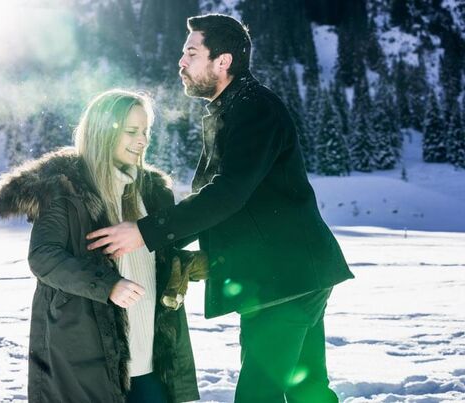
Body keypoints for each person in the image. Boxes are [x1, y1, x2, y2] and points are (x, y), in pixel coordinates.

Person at [86, 14, 354, 403]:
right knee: (307, 390)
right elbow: (231, 202)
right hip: (289, 276)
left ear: (222, 61)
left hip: (285, 278)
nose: (181, 62)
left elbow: (229, 193)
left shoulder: (254, 110)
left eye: (191, 53)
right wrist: (178, 248)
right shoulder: (231, 109)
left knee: (258, 394)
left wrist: (145, 232)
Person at [0, 89, 199, 403]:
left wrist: (191, 263)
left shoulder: (153, 191)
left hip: (152, 357)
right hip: (91, 357)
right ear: (103, 131)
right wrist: (108, 285)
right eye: (131, 132)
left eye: (146, 132)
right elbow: (44, 257)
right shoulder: (66, 188)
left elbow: (156, 256)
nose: (142, 140)